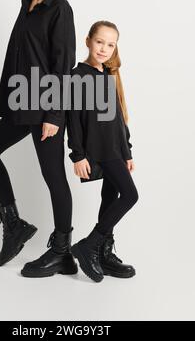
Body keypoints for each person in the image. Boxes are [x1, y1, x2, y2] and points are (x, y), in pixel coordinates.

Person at [0, 0, 78, 278]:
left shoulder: (60, 9)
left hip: (47, 106)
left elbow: (62, 66)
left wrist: (54, 115)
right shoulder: (27, 2)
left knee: (53, 178)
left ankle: (63, 252)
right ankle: (14, 224)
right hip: (22, 101)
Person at [67, 21, 139, 282]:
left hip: (115, 149)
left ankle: (103, 254)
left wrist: (127, 152)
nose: (104, 48)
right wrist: (77, 154)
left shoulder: (108, 76)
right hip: (99, 149)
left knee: (110, 197)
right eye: (100, 42)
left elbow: (119, 119)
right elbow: (73, 118)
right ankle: (90, 245)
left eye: (110, 44)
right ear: (88, 41)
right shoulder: (78, 75)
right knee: (130, 195)